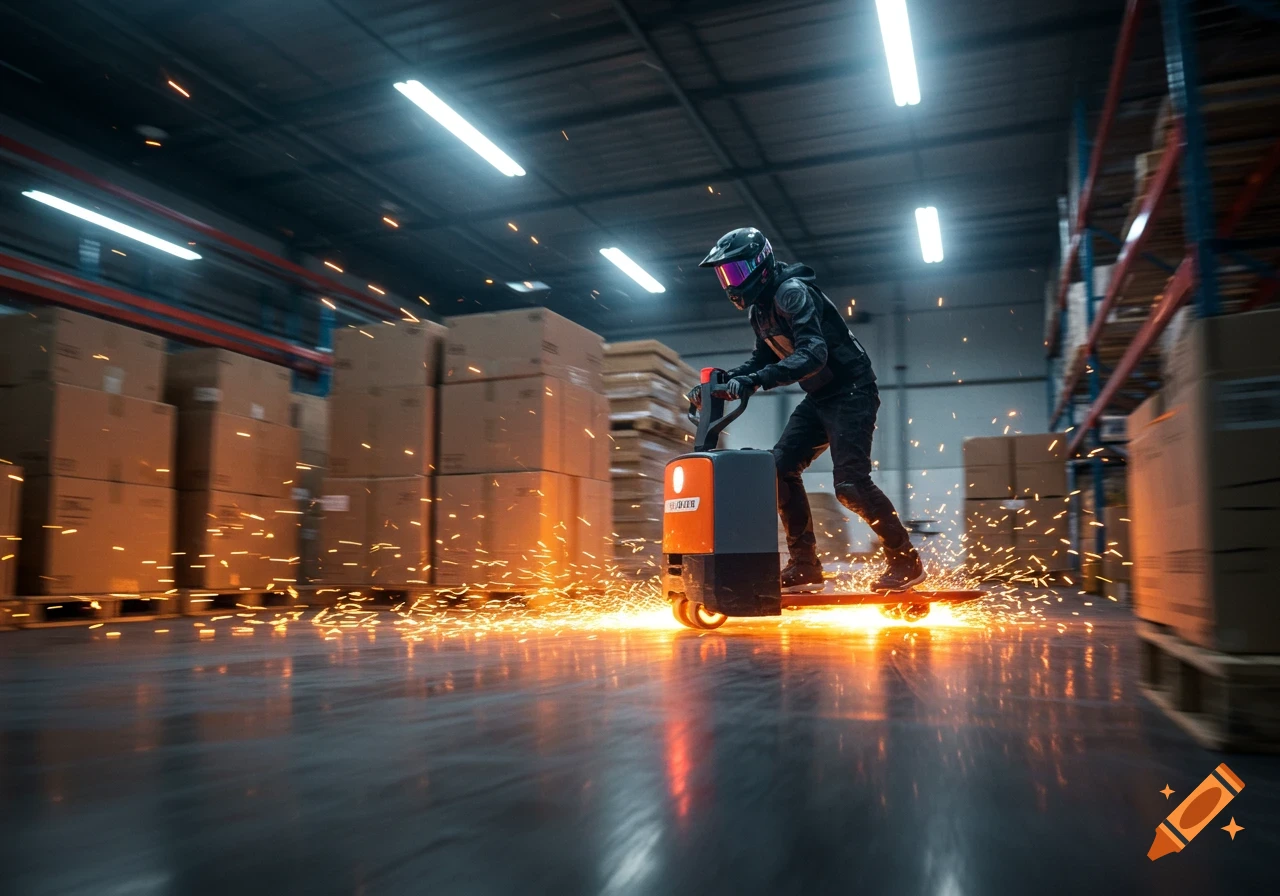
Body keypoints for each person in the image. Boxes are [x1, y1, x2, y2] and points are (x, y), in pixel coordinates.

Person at [688, 227, 925, 593]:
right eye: (724, 275)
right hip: (820, 396)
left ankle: (905, 561)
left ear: (760, 264)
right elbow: (763, 358)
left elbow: (814, 354)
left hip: (852, 391)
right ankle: (805, 565)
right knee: (778, 468)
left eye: (734, 273)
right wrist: (721, 381)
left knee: (850, 485)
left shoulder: (792, 293)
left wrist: (758, 380)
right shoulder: (760, 311)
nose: (730, 284)